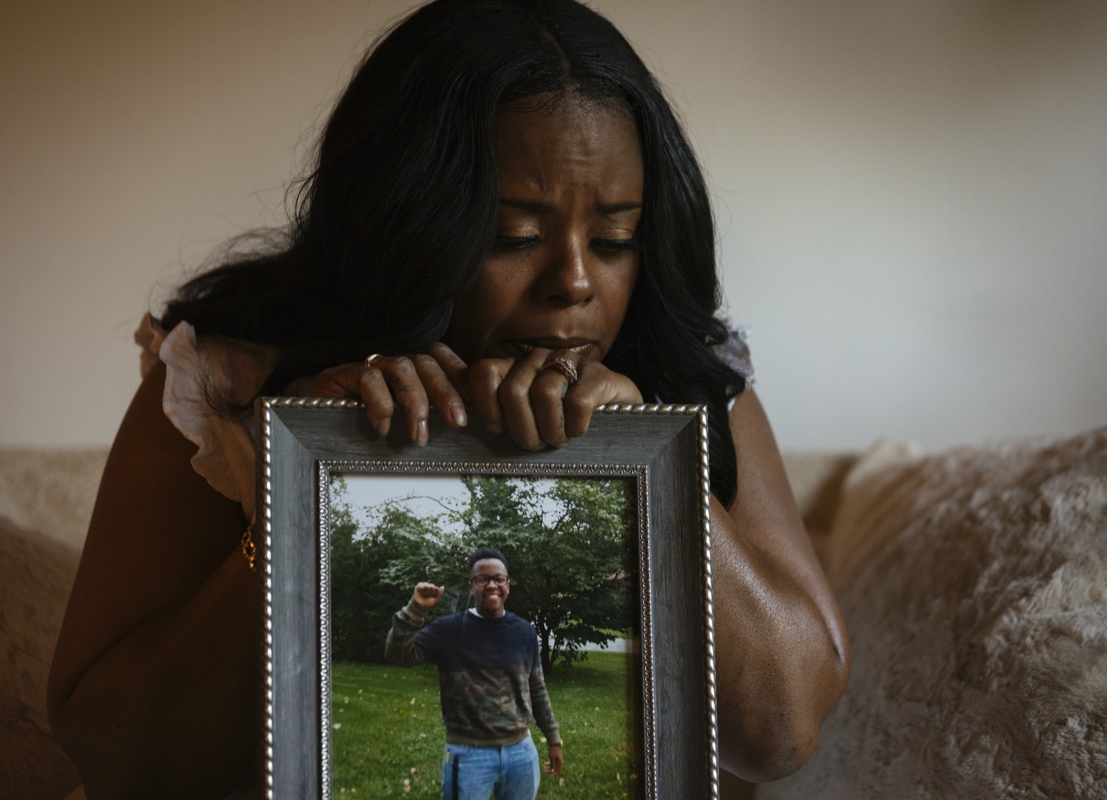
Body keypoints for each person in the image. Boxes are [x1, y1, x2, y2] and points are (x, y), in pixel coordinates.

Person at [47, 0, 850, 797]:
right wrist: (306, 493)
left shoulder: (689, 376)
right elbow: (118, 758)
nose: (574, 281)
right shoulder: (223, 381)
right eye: (516, 236)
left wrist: (643, 458)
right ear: (406, 224)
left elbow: (781, 734)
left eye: (613, 241)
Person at [386, 547, 561, 799]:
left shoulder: (524, 631)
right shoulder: (448, 630)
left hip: (521, 752)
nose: (492, 585)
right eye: (483, 579)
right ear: (472, 586)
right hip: (468, 755)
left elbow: (536, 688)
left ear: (507, 585)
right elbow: (398, 656)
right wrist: (415, 609)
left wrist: (553, 738)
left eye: (498, 578)